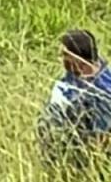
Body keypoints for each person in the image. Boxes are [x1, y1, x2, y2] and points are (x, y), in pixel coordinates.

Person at [37, 29, 111, 176]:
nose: (61, 58)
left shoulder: (101, 93)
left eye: (65, 55)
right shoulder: (77, 75)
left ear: (78, 59)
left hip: (75, 160)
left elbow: (101, 139)